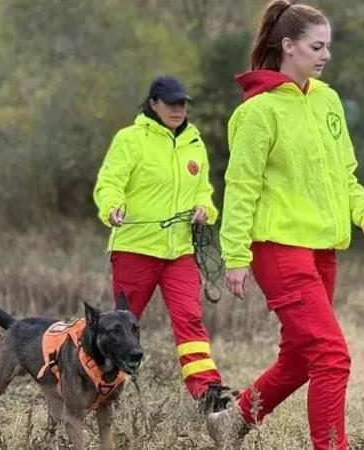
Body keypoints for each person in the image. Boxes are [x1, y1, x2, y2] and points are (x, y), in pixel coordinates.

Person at [206, 1, 364, 449]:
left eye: (328, 46)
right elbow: (240, 187)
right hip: (278, 249)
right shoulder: (258, 112)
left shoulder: (328, 100)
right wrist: (236, 255)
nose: (326, 55)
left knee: (300, 359)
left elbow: (344, 175)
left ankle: (231, 422)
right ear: (288, 46)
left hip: (321, 248)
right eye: (316, 46)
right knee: (331, 356)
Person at [93, 75, 232, 414]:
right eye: (171, 103)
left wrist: (205, 209)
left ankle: (208, 393)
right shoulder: (130, 139)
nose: (178, 109)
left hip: (180, 252)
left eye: (182, 103)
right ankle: (99, 389)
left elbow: (203, 191)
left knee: (190, 319)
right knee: (121, 327)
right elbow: (109, 183)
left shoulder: (194, 142)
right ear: (153, 103)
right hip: (135, 249)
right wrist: (111, 206)